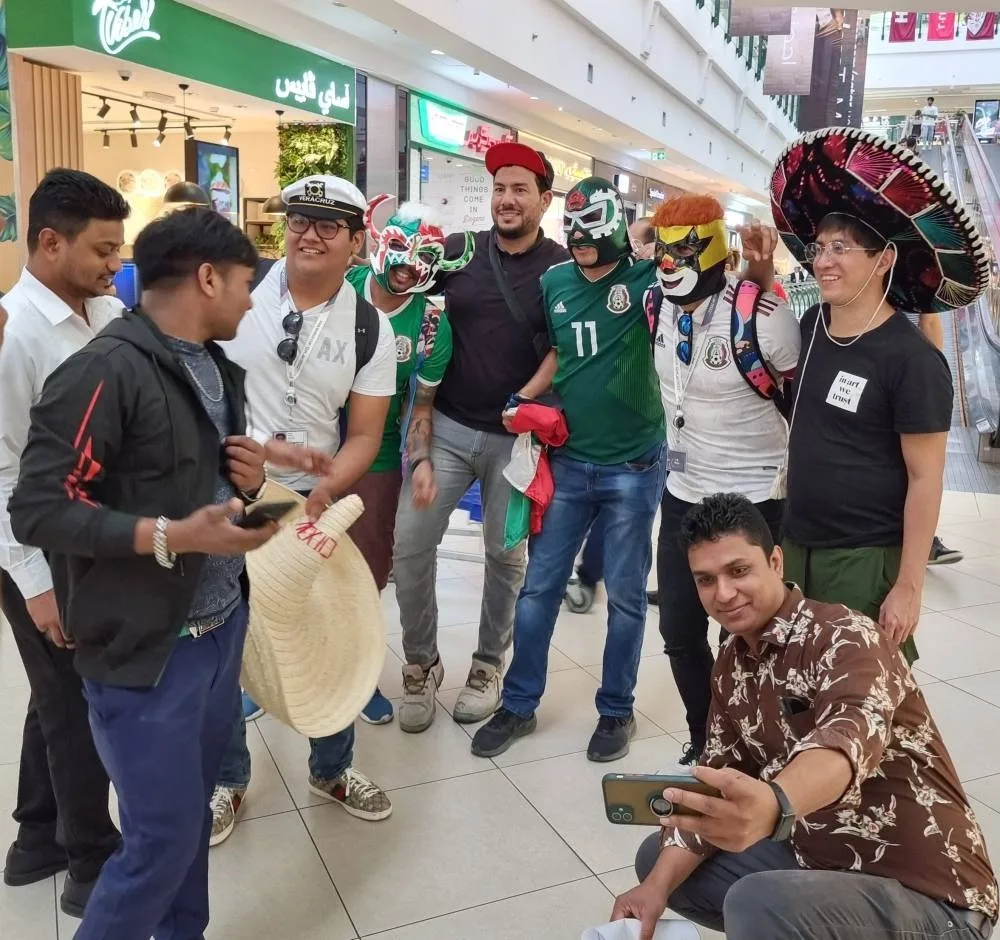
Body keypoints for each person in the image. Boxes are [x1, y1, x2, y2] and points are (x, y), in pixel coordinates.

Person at [8, 207, 283, 940]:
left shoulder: (216, 367)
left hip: (219, 632)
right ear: (206, 277)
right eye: (245, 283)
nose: (252, 300)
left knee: (188, 822)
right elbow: (36, 509)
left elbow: (200, 492)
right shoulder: (103, 370)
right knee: (157, 843)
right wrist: (169, 535)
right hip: (147, 656)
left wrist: (252, 486)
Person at [612, 493, 997, 940]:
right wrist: (654, 890)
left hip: (931, 896)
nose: (724, 593)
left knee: (757, 903)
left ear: (775, 562)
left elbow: (846, 740)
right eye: (705, 579)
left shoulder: (845, 636)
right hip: (824, 860)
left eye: (739, 571)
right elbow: (720, 775)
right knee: (657, 863)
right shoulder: (732, 666)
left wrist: (775, 803)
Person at [209, 174, 397, 844]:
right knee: (226, 637)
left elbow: (367, 435)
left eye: (328, 223)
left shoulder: (371, 327)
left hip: (311, 500)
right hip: (229, 493)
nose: (309, 233)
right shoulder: (235, 290)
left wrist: (324, 491)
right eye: (299, 219)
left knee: (326, 629)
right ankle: (228, 779)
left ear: (355, 242)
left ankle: (333, 768)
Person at [770, 128, 989, 666]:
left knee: (860, 696)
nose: (823, 261)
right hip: (799, 544)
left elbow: (925, 477)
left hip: (864, 556)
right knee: (798, 688)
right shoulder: (813, 323)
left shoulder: (910, 360)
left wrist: (909, 585)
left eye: (841, 249)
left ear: (884, 259)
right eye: (819, 248)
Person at [470, 176, 667, 762]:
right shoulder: (556, 281)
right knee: (537, 590)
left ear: (611, 230)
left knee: (628, 597)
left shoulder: (647, 282)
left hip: (635, 464)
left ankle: (616, 711)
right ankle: (519, 704)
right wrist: (520, 398)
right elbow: (559, 353)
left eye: (590, 235)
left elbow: (699, 295)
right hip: (571, 463)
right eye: (573, 235)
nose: (580, 245)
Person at [392, 142, 569, 733]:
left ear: (545, 200)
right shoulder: (457, 252)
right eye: (499, 188)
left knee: (503, 555)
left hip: (515, 442)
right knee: (410, 544)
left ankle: (489, 663)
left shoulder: (563, 269)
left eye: (520, 189)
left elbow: (564, 351)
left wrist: (532, 404)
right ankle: (420, 663)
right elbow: (409, 305)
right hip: (443, 426)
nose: (507, 199)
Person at [0, 169, 128, 916]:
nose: (116, 264)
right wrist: (34, 582)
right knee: (78, 700)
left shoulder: (105, 312)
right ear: (50, 243)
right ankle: (90, 863)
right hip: (39, 548)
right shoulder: (16, 337)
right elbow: (4, 466)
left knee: (52, 693)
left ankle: (35, 838)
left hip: (88, 538)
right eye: (103, 250)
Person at [647, 194, 799, 766]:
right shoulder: (654, 306)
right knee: (681, 633)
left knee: (756, 633)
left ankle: (771, 748)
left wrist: (764, 275)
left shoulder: (761, 315)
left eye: (684, 248)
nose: (670, 262)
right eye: (663, 250)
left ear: (712, 246)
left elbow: (803, 391)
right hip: (682, 495)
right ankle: (709, 738)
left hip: (755, 500)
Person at [564, 214, 658, 617]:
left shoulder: (653, 287)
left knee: (631, 516)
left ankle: (592, 576)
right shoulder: (569, 283)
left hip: (644, 435)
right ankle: (587, 575)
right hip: (588, 441)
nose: (628, 252)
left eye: (636, 245)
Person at [905, 309, 963, 565]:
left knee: (917, 472)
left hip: (906, 376)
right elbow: (929, 321)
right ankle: (922, 544)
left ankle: (924, 543)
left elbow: (929, 320)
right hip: (906, 373)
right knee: (917, 472)